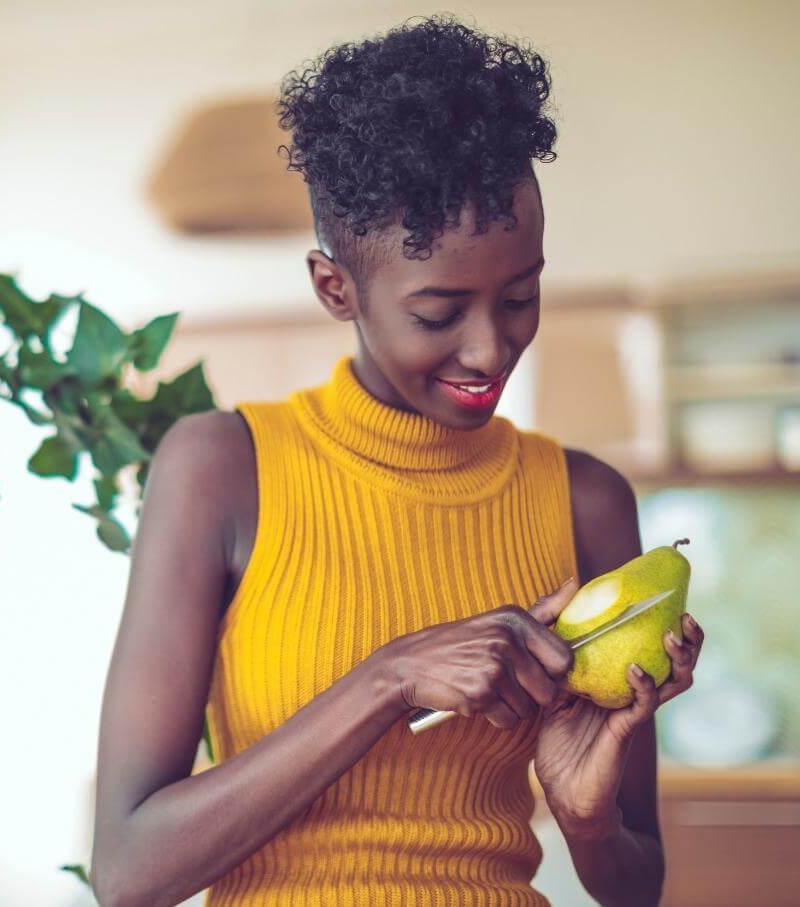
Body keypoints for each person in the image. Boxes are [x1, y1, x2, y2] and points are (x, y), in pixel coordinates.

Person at [90, 14, 704, 907]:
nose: (491, 350)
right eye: (438, 312)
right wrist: (389, 679)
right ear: (335, 287)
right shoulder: (221, 469)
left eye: (521, 296)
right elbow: (129, 871)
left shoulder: (586, 500)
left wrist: (586, 816)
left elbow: (636, 888)